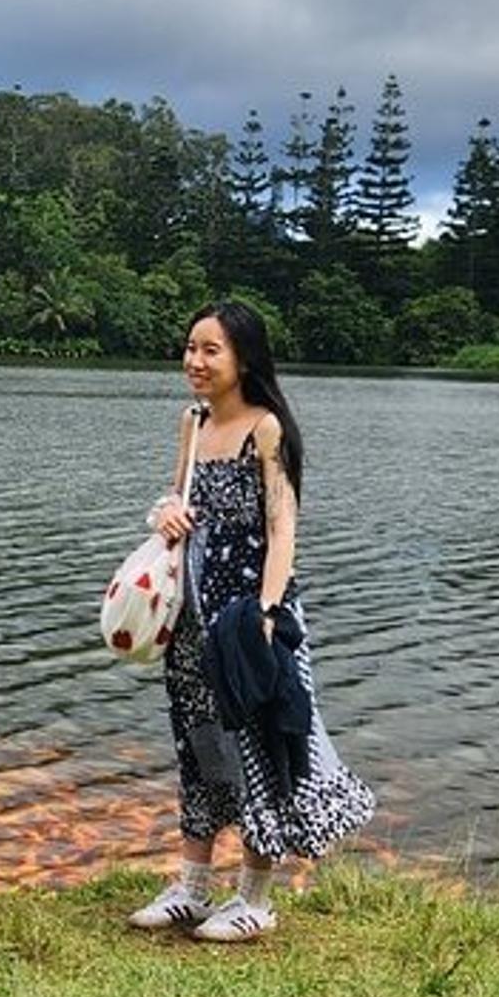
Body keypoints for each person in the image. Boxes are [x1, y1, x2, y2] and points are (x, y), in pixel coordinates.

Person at [127, 302, 374, 942]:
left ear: (244, 359)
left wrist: (267, 611)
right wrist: (164, 513)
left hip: (248, 619)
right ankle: (190, 887)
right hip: (190, 617)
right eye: (190, 348)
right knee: (198, 744)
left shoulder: (266, 429)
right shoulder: (193, 421)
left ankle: (256, 898)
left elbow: (282, 527)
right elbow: (176, 498)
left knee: (257, 749)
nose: (195, 362)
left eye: (211, 350)